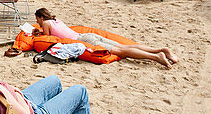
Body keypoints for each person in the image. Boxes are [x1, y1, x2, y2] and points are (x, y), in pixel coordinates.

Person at [34, 8, 178, 69]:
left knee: (122, 51)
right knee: (125, 47)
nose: (39, 22)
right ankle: (160, 50)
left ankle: (156, 57)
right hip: (89, 35)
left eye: (38, 20)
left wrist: (37, 33)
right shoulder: (55, 20)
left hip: (88, 41)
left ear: (41, 17)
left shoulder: (45, 23)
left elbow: (48, 39)